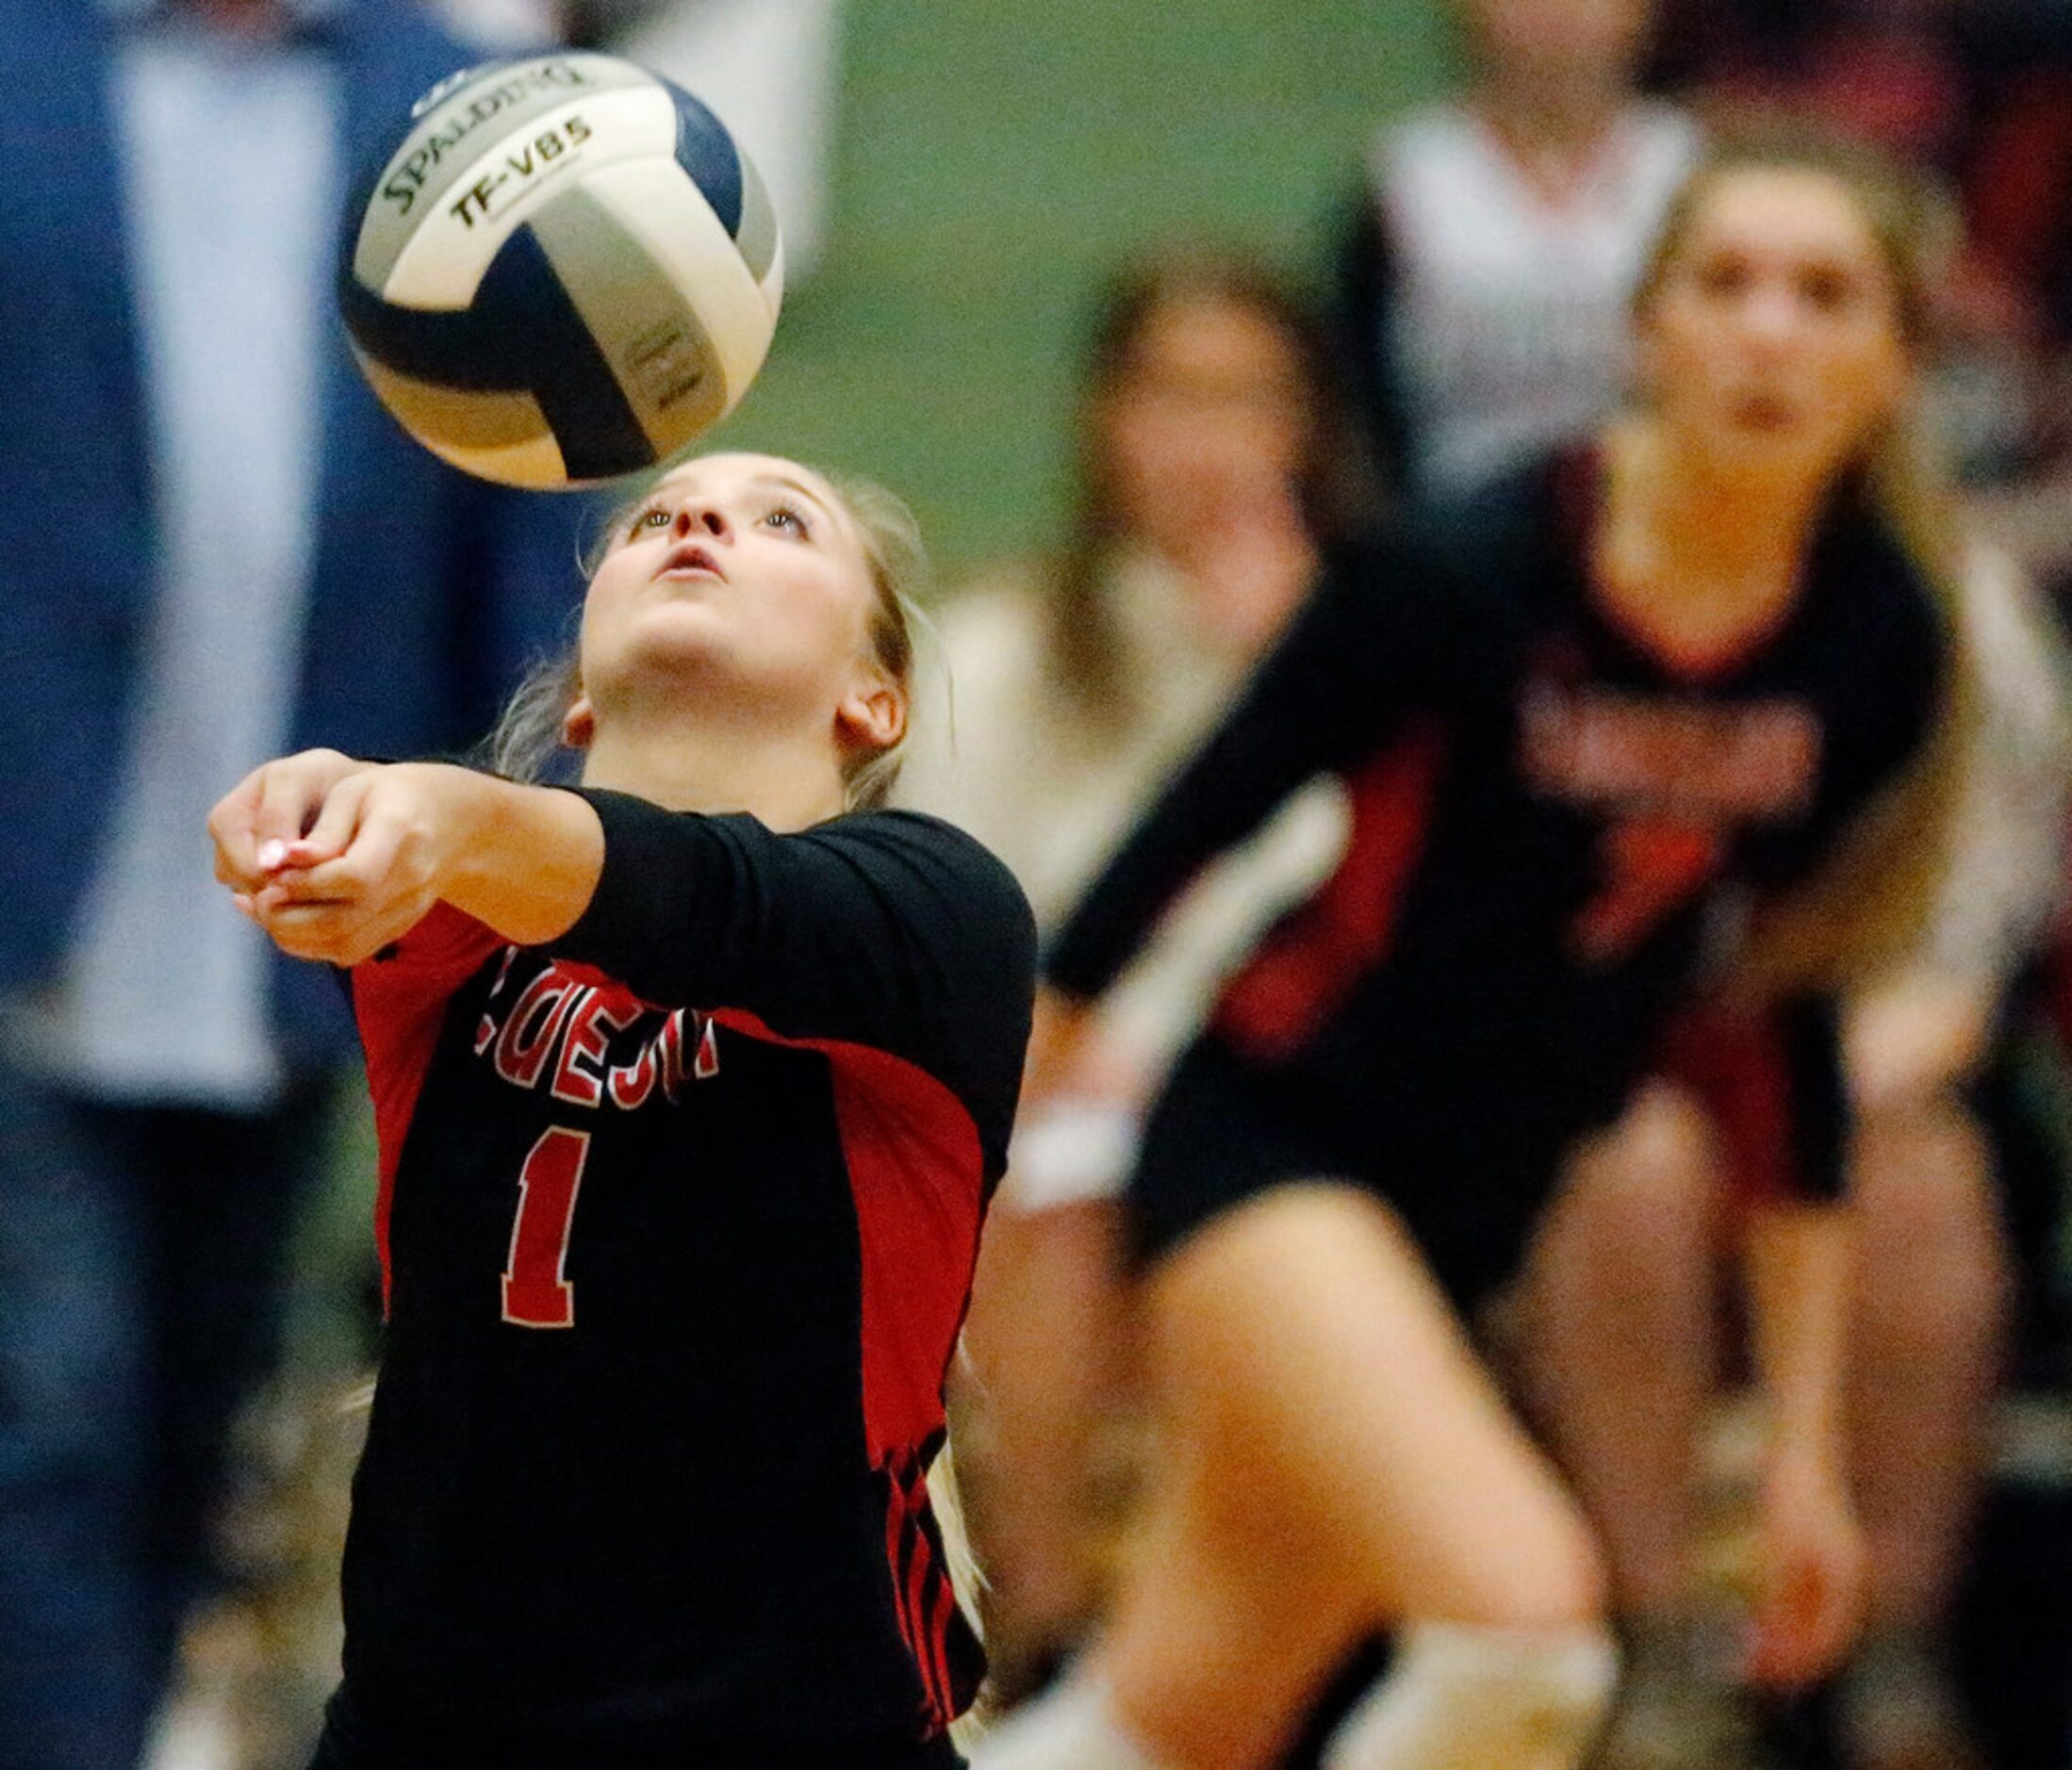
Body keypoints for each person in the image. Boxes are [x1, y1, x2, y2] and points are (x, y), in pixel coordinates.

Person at [974, 132, 1970, 1770]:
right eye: (1722, 284)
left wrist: (1802, 1449)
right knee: (1522, 1630)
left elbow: (1778, 1039)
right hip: (1270, 1144)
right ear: (1645, 331)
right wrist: (952, 1166)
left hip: (1473, 1208)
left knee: (1178, 1711)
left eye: (1822, 295)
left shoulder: (1872, 642)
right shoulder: (1466, 565)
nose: (1768, 332)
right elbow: (1177, 844)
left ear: (1890, 361)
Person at [210, 451, 1036, 1768]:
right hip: (429, 1734)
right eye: (657, 513)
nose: (701, 519)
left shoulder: (935, 921)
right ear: (580, 696)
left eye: (782, 522)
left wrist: (441, 807)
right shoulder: (458, 932)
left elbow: (707, 898)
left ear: (874, 700)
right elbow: (444, 872)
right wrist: (316, 817)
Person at [0, 5, 583, 1766]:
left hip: (302, 910)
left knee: (197, 1418)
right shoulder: (21, 64)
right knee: (50, 1413)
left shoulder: (465, 116)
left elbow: (530, 513)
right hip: (31, 869)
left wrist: (511, 863)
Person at [896, 249, 1363, 1694]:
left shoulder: (1375, 657)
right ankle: (1045, 1645)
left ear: (1311, 431)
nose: (1211, 443)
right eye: (1173, 396)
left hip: (1298, 1103)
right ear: (1106, 419)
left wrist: (1292, 669)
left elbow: (1362, 915)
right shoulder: (998, 650)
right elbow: (942, 928)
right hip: (1052, 1113)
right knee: (1056, 1189)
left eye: (1251, 401)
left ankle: (1263, 1675)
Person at [1335, 0, 1701, 503]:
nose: (1559, 13)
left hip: (1651, 509)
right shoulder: (1407, 178)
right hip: (1453, 521)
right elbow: (1357, 392)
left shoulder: (1690, 170)